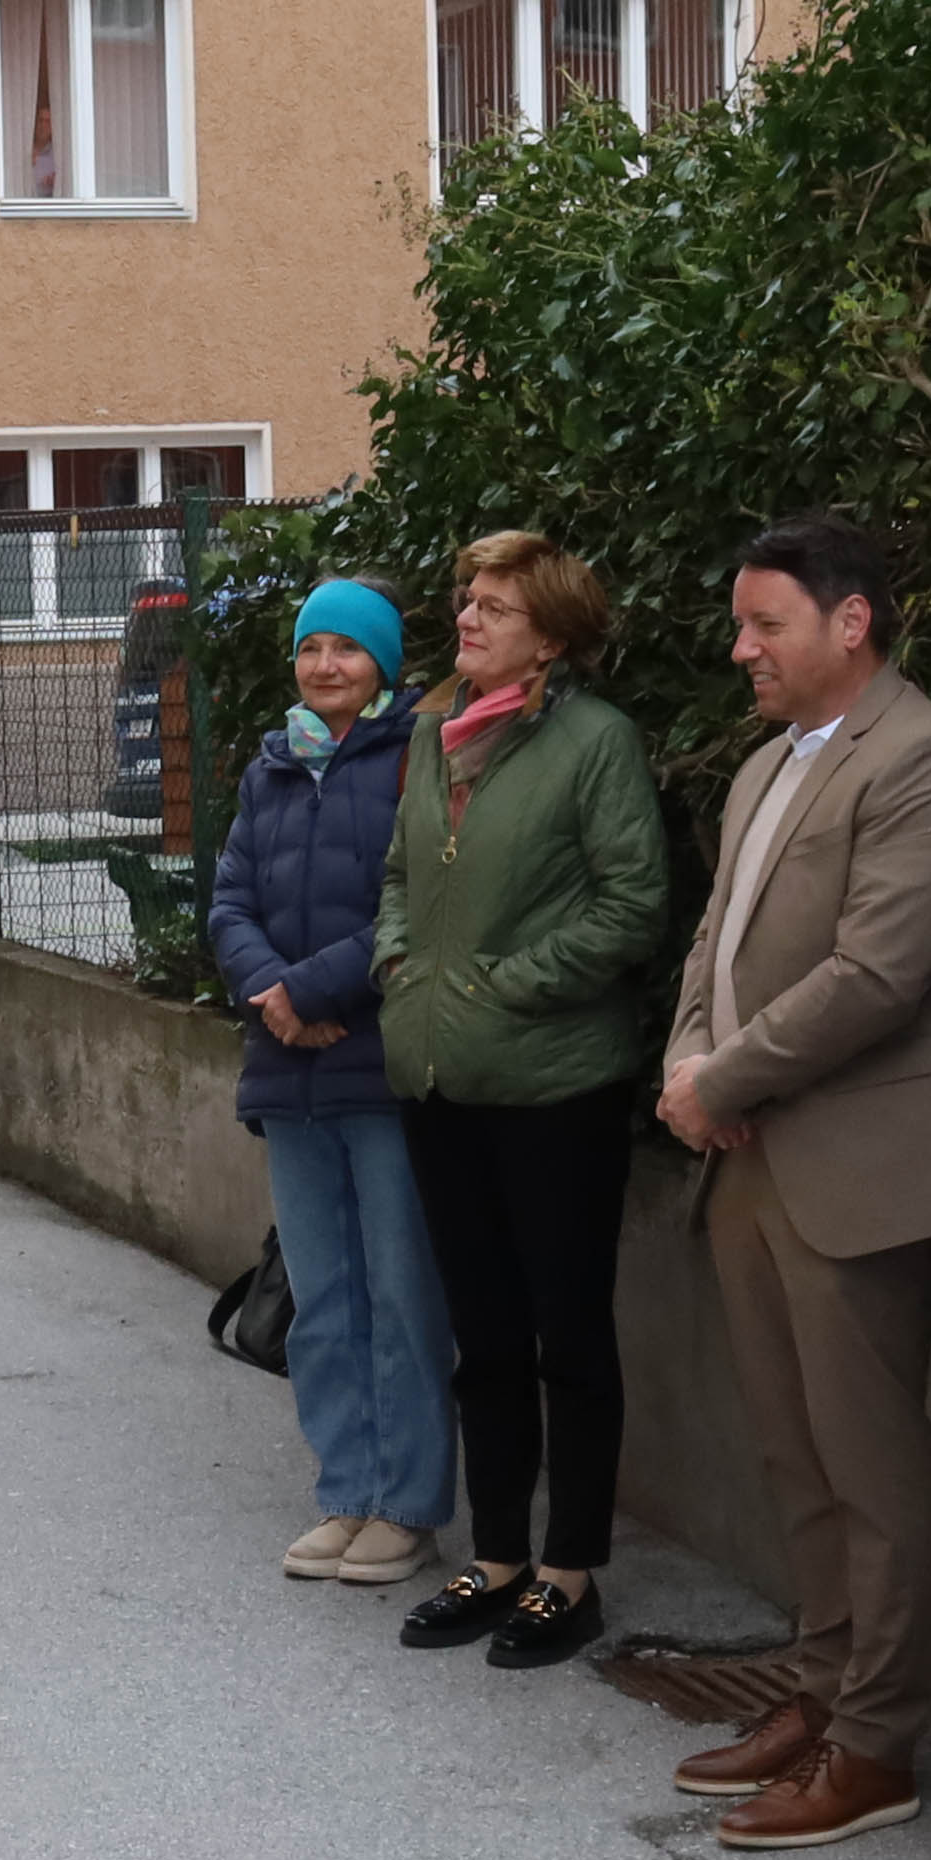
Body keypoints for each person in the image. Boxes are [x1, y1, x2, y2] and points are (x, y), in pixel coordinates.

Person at [653, 514, 931, 1847]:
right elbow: (713, 941)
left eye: (767, 625)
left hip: (856, 1168)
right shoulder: (762, 769)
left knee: (872, 1469)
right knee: (794, 1459)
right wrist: (691, 1060)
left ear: (850, 624)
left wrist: (721, 1081)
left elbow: (878, 975)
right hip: (748, 1162)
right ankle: (818, 1687)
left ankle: (878, 1743)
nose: (742, 647)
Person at [374, 531, 671, 1671]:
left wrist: (501, 984)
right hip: (440, 1077)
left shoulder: (596, 744)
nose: (468, 619)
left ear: (548, 634)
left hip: (554, 1087)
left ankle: (569, 1572)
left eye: (494, 607)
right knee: (482, 1333)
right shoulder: (427, 733)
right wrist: (403, 964)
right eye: (466, 600)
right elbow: (401, 876)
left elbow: (630, 908)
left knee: (568, 1335)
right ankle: (495, 1557)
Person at [205, 577, 454, 1590]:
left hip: (377, 1068)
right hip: (288, 1074)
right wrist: (270, 991)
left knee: (402, 1298)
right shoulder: (271, 768)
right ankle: (345, 1491)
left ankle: (408, 1507)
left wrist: (309, 987)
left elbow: (419, 903)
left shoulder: (417, 764)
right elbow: (228, 899)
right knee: (322, 1298)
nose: (324, 667)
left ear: (385, 665)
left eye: (347, 650)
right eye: (311, 649)